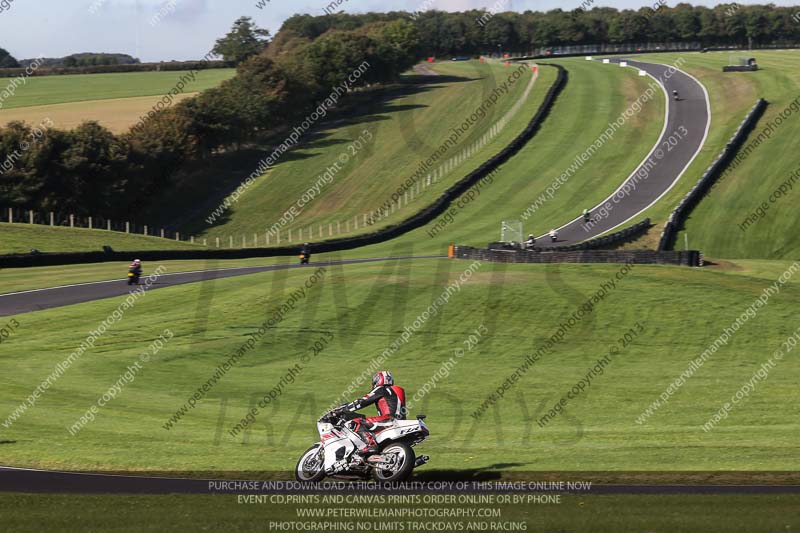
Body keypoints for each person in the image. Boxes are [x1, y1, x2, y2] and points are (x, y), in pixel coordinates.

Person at [336, 371, 406, 455]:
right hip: (400, 421)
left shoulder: (381, 389)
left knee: (356, 422)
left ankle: (370, 446)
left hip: (389, 420)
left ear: (377, 380)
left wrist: (344, 409)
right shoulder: (397, 390)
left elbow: (363, 401)